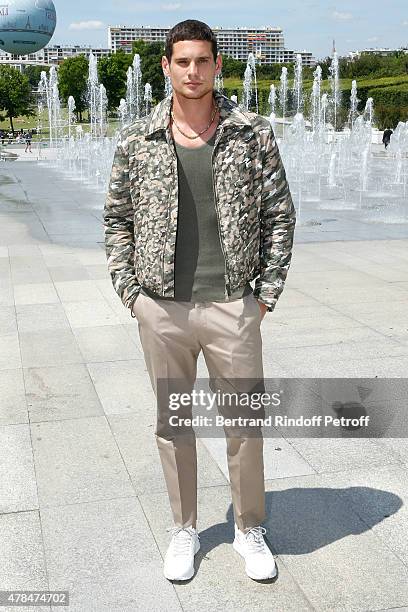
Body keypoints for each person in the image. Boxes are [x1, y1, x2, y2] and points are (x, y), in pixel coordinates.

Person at [104, 19, 296, 582]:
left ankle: (249, 528)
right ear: (166, 67)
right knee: (173, 422)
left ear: (217, 65)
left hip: (233, 304)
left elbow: (279, 213)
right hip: (161, 308)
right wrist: (131, 293)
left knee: (244, 424)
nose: (192, 72)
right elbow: (117, 219)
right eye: (181, 61)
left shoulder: (251, 132)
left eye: (202, 61)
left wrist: (264, 295)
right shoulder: (137, 138)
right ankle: (184, 527)